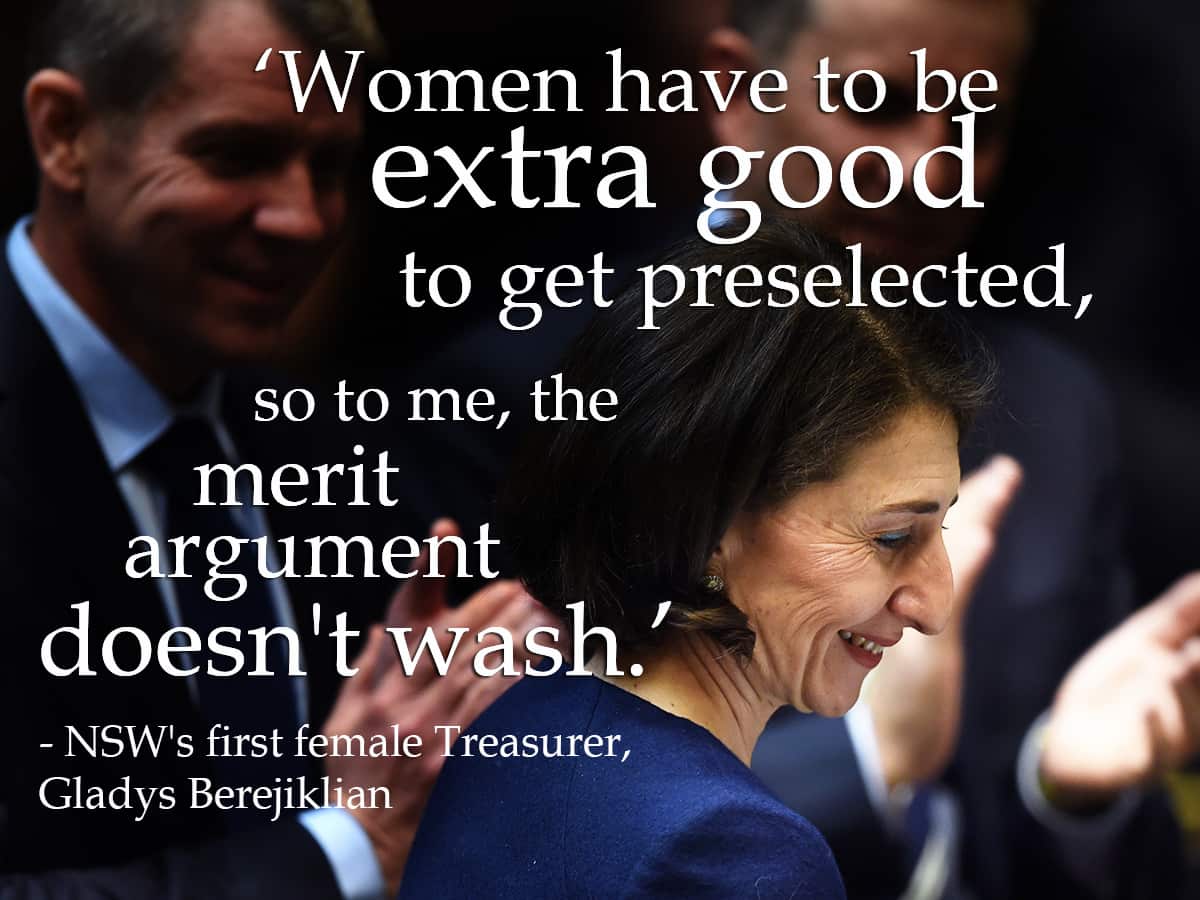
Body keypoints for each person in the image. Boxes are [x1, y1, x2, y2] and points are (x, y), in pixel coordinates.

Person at [0, 1, 550, 897]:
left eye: (330, 167)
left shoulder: (338, 448)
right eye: (235, 155)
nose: (302, 219)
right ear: (66, 133)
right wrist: (348, 846)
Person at [703, 0, 1197, 896]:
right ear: (735, 91)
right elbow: (508, 833)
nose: (930, 170)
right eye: (876, 101)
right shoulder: (551, 392)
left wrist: (1066, 790)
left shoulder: (1051, 407)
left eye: (976, 124)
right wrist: (860, 764)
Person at [399, 220, 991, 898]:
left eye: (942, 525)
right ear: (709, 522)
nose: (934, 605)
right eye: (891, 538)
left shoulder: (522, 726)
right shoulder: (725, 850)